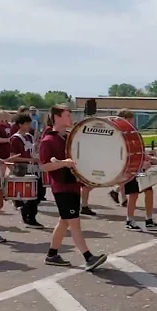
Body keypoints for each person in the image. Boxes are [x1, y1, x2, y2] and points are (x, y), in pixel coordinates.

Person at [39, 105, 107, 270]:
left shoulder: (68, 138)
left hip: (72, 185)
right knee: (74, 223)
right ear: (57, 117)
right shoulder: (48, 140)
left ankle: (52, 254)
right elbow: (43, 166)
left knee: (64, 221)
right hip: (62, 188)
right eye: (67, 115)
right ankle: (88, 257)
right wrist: (63, 163)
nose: (70, 118)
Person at [117, 109, 157, 231]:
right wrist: (143, 161)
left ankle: (149, 219)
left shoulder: (133, 133)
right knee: (133, 195)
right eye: (130, 119)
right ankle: (129, 220)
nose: (132, 121)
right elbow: (125, 154)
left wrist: (149, 157)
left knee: (149, 192)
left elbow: (139, 152)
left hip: (139, 169)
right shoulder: (120, 135)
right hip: (131, 169)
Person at [8, 113, 44, 228]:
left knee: (39, 194)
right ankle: (29, 217)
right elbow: (13, 157)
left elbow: (32, 151)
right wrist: (30, 159)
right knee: (30, 196)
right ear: (20, 124)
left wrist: (37, 152)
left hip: (33, 168)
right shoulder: (15, 139)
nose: (29, 125)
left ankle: (27, 213)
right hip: (22, 169)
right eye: (27, 123)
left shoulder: (29, 136)